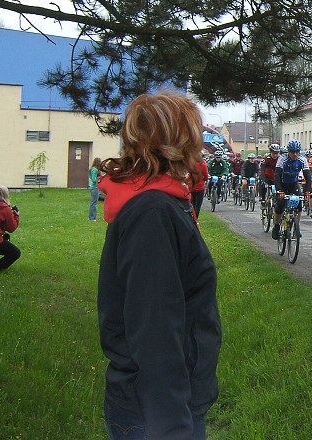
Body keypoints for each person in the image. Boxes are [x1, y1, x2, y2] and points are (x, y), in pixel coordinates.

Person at [96, 91, 221, 440]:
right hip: (156, 413)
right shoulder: (153, 213)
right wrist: (172, 428)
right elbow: (155, 331)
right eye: (193, 133)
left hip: (166, 403)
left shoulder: (162, 202)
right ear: (175, 140)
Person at [272, 139, 312, 239]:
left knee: (299, 204)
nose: (294, 154)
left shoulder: (302, 160)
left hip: (293, 184)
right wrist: (279, 190)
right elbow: (277, 176)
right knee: (280, 205)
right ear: (288, 152)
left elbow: (308, 177)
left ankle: (296, 226)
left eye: (297, 152)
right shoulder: (282, 159)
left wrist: (307, 191)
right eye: (292, 152)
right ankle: (276, 226)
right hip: (282, 184)